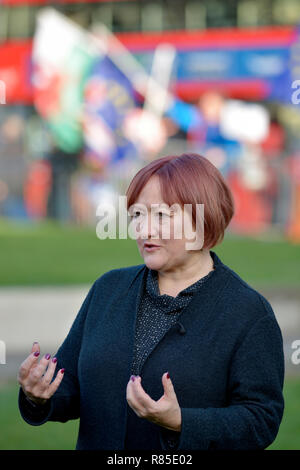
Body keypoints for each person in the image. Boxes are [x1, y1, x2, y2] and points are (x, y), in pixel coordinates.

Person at [18, 153, 284, 450]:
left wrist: (182, 422)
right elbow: (72, 386)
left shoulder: (248, 312)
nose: (144, 230)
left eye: (161, 215)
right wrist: (39, 393)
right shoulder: (109, 289)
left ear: (203, 218)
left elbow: (262, 419)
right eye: (137, 215)